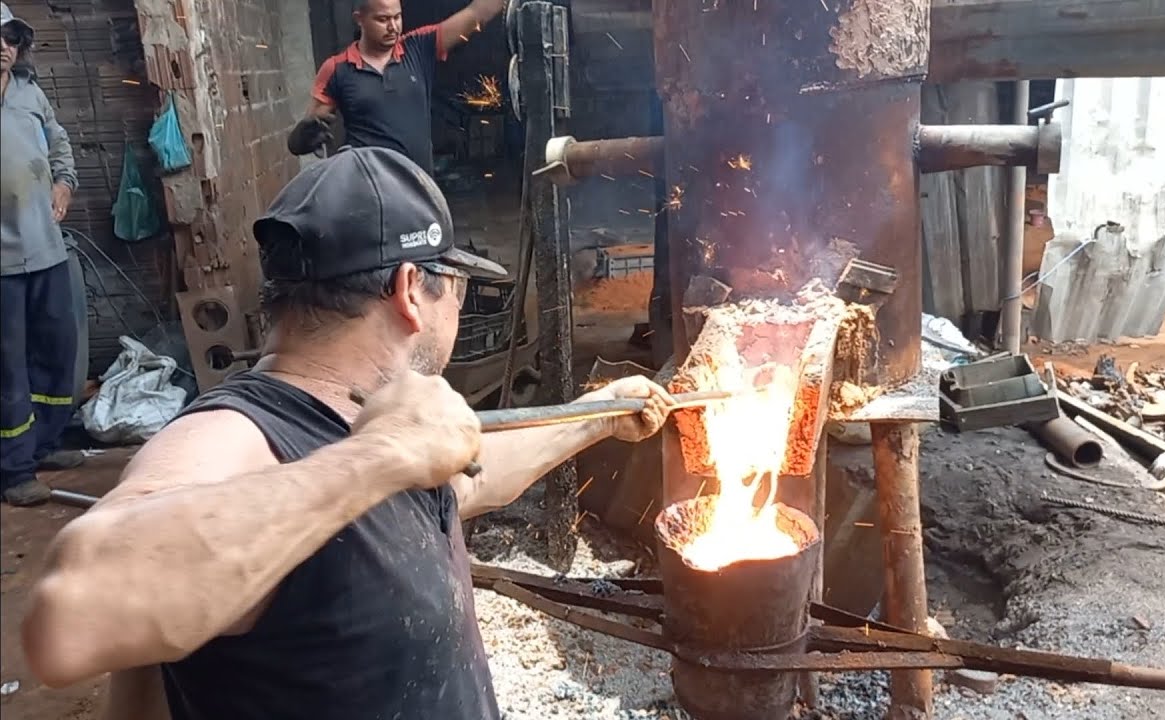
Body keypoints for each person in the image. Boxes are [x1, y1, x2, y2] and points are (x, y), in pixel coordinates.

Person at [21, 146, 676, 720]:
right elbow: (70, 617)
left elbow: (460, 479)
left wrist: (599, 414)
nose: (458, 308)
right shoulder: (238, 434)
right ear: (410, 288)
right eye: (456, 289)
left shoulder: (366, 429)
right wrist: (378, 456)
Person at [0, 2, 83, 507]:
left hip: (45, 249)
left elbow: (60, 143)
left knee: (55, 352)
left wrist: (65, 183)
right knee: (7, 367)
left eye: (9, 37)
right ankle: (14, 471)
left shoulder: (30, 92)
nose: (2, 46)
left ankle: (46, 442)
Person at [288, 0, 505, 173]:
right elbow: (305, 136)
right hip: (369, 189)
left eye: (397, 17)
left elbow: (478, 13)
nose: (393, 27)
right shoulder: (336, 69)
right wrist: (301, 138)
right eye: (382, 19)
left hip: (418, 186)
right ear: (359, 19)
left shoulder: (420, 47)